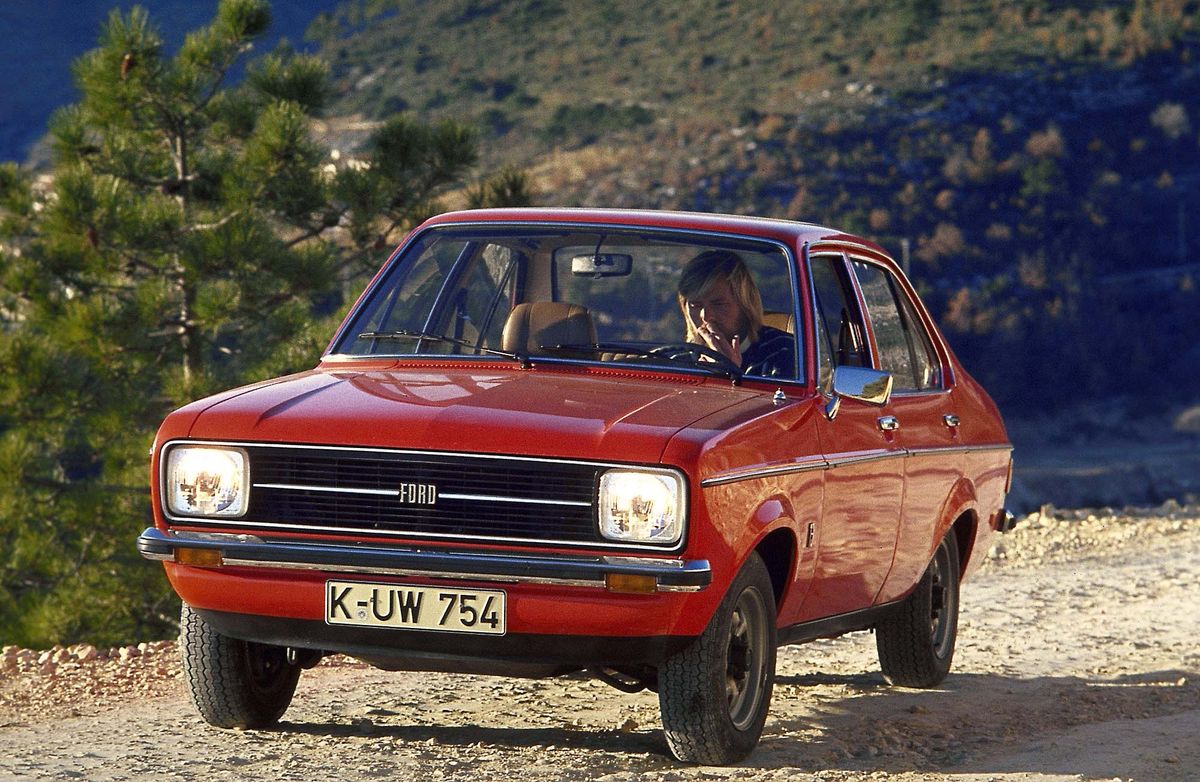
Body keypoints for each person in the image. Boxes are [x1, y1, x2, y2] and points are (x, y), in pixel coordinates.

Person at [677, 249, 796, 378]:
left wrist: (730, 374)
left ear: (744, 305)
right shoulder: (677, 360)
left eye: (719, 304)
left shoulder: (783, 351)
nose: (706, 317)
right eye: (695, 305)